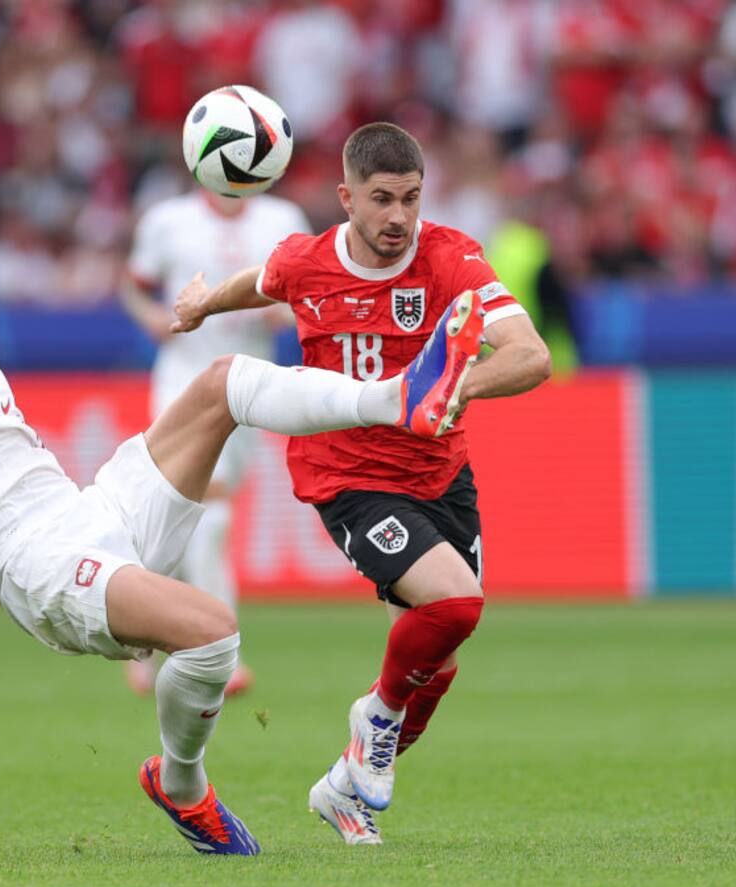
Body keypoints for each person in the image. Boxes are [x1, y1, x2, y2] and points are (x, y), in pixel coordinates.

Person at [0, 199, 484, 856]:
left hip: (88, 510)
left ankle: (398, 398)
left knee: (223, 382)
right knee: (212, 633)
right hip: (40, 564)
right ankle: (181, 786)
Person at [169, 123, 552, 845]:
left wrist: (455, 390)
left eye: (410, 198)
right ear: (346, 197)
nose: (398, 217)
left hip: (439, 473)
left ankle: (344, 786)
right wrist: (200, 306)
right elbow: (263, 282)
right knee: (455, 604)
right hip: (346, 476)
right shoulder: (306, 261)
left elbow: (530, 356)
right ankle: (372, 721)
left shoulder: (449, 257)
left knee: (435, 669)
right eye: (381, 199)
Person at [121, 187, 311, 697]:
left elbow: (311, 294)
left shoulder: (283, 217)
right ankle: (219, 651)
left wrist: (284, 313)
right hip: (182, 374)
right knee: (205, 508)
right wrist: (152, 318)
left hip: (248, 379)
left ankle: (144, 641)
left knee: (183, 520)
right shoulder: (168, 218)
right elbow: (134, 286)